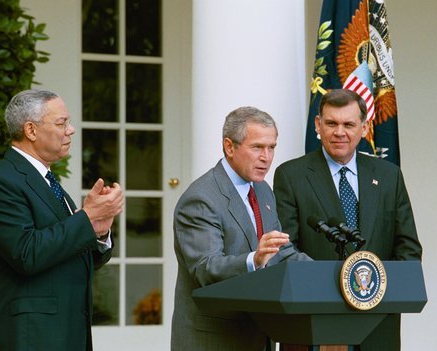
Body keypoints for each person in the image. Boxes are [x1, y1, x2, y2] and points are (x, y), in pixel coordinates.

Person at [0, 89, 124, 351]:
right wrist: (86, 219)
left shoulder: (47, 181)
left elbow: (71, 253)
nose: (71, 130)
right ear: (31, 130)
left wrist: (98, 231)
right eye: (61, 123)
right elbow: (26, 253)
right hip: (33, 337)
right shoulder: (1, 182)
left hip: (66, 332)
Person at [273, 89, 422, 351]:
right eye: (331, 123)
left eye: (349, 124)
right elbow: (285, 249)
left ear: (364, 128)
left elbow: (408, 249)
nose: (339, 132)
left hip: (377, 325)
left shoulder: (389, 176)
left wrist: (379, 296)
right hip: (314, 323)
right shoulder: (291, 176)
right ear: (318, 125)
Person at [171, 106, 311, 351]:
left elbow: (281, 251)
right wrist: (254, 260)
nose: (266, 157)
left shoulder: (263, 190)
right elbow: (205, 268)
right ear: (229, 146)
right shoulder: (201, 198)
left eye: (272, 147)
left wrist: (328, 274)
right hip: (215, 339)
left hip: (259, 334)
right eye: (257, 147)